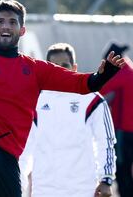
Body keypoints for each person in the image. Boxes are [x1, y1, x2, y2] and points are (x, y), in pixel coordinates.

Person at [0, 0, 125, 197]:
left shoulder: (34, 69)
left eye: (12, 22)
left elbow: (83, 84)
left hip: (3, 155)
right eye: (0, 21)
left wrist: (103, 75)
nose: (6, 26)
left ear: (22, 30)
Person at [19, 43, 116, 197]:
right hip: (45, 189)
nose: (59, 70)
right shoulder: (34, 101)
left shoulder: (92, 100)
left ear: (74, 68)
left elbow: (105, 142)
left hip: (82, 189)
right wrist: (19, 185)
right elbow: (24, 150)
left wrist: (106, 179)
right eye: (54, 66)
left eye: (64, 65)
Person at [99, 43, 133, 197]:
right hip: (127, 128)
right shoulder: (129, 68)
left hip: (124, 129)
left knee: (122, 168)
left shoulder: (122, 70)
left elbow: (100, 88)